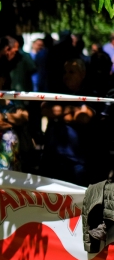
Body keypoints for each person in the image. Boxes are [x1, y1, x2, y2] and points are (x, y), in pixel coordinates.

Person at [40, 58, 108, 186]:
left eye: (71, 72)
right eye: (65, 72)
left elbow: (84, 117)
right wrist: (72, 111)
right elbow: (45, 110)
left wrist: (58, 114)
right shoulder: (57, 91)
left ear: (82, 74)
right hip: (53, 158)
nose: (66, 76)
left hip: (78, 161)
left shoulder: (90, 93)